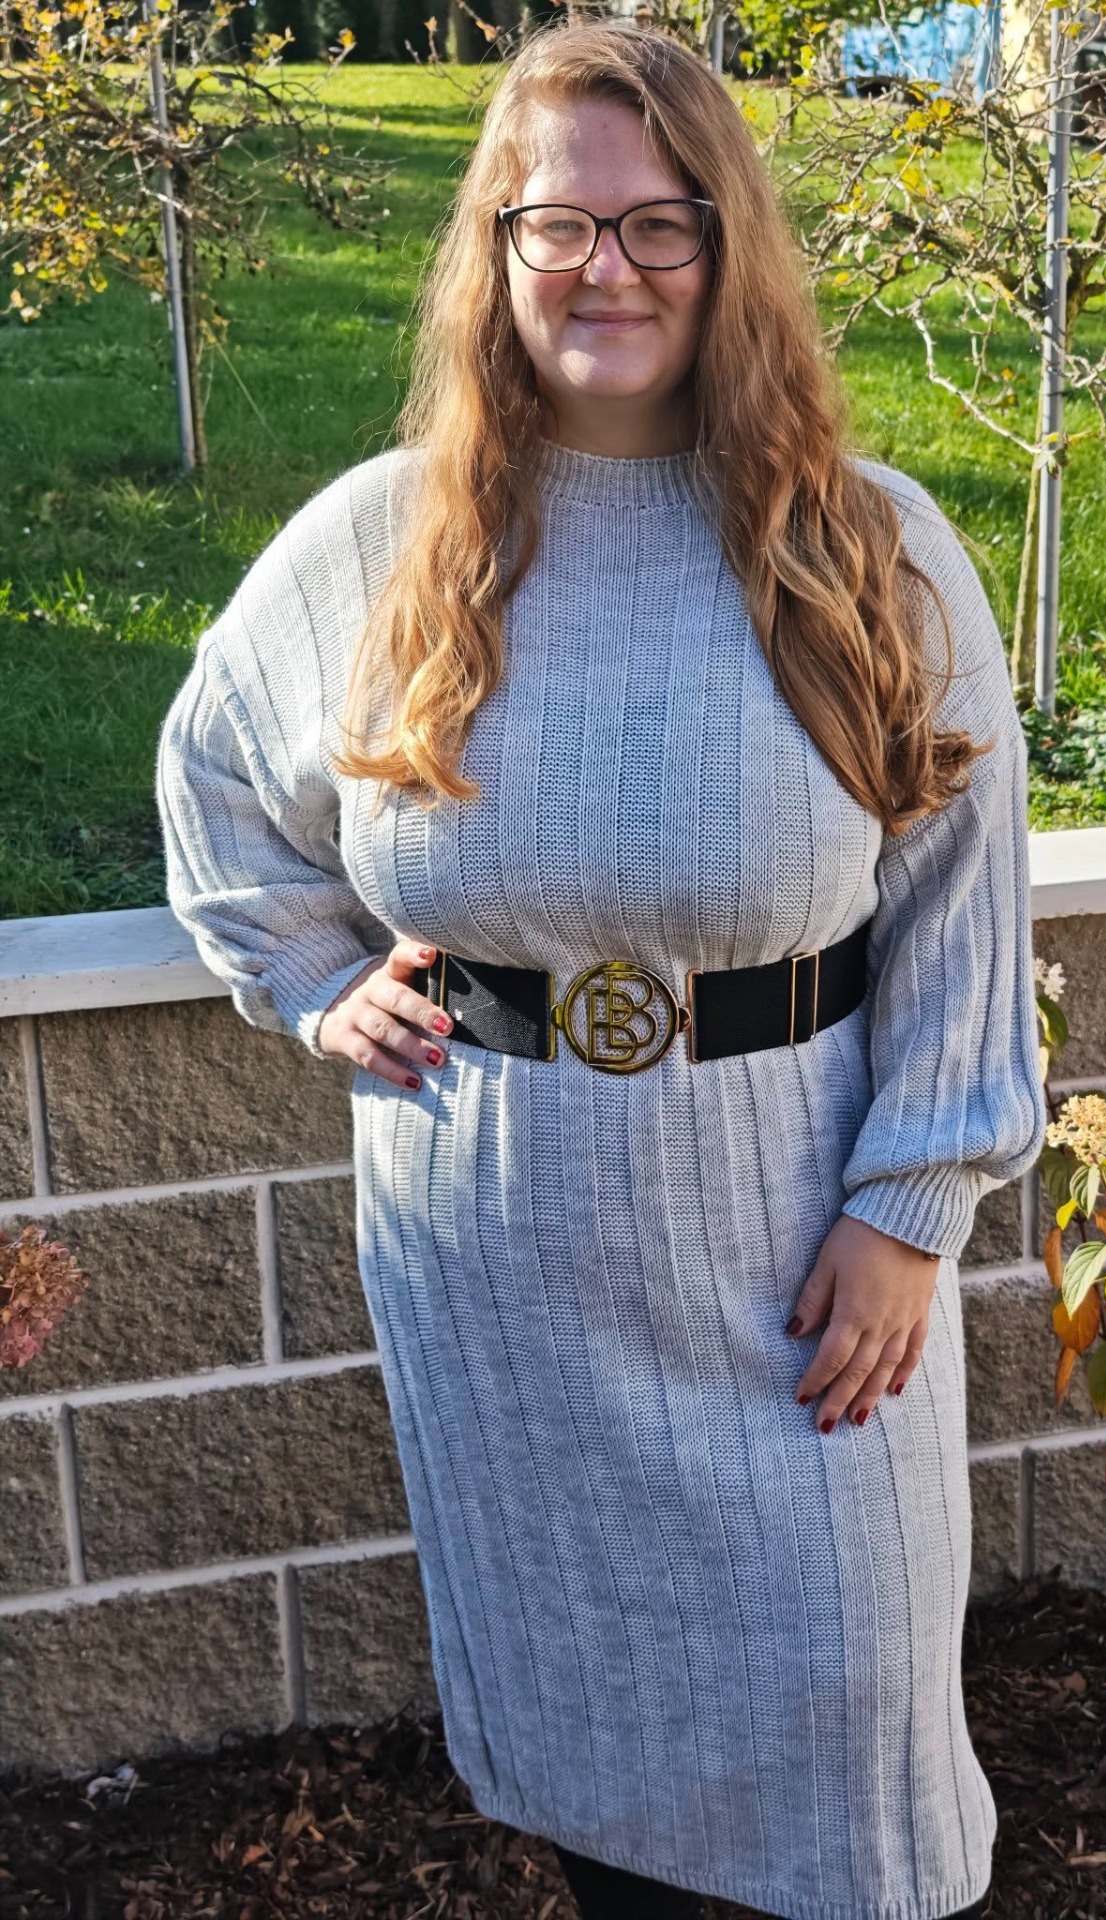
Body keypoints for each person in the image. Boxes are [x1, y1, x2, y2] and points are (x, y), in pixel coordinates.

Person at [156, 17, 1046, 1918]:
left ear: (727, 248)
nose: (605, 269)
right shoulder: (386, 543)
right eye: (556, 223)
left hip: (802, 1278)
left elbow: (963, 889)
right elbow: (214, 777)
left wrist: (911, 1205)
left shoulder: (864, 550)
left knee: (863, 1784)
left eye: (658, 225)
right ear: (497, 248)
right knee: (599, 1778)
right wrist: (309, 976)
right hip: (502, 1274)